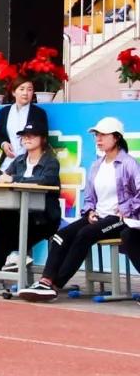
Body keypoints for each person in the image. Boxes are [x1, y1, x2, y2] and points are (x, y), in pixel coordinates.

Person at [18, 117, 140, 302]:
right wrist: (89, 210)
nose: (98, 139)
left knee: (84, 234)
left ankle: (55, 285)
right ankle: (45, 280)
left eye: (103, 135)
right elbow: (90, 196)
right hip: (98, 215)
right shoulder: (96, 165)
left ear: (116, 138)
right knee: (62, 235)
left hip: (119, 219)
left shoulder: (128, 163)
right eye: (96, 135)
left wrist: (127, 209)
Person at [0, 121, 61, 294]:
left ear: (43, 139)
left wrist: (14, 179)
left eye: (32, 135)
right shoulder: (19, 160)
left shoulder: (51, 162)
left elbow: (45, 180)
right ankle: (4, 267)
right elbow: (3, 176)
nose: (27, 139)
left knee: (15, 226)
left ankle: (2, 269)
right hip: (19, 212)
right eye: (24, 136)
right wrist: (0, 178)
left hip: (44, 216)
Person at [0, 78, 47, 171]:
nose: (25, 93)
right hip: (7, 165)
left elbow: (44, 138)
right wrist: (4, 144)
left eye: (29, 89)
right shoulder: (4, 112)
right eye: (22, 89)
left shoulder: (39, 113)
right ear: (14, 92)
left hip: (30, 165)